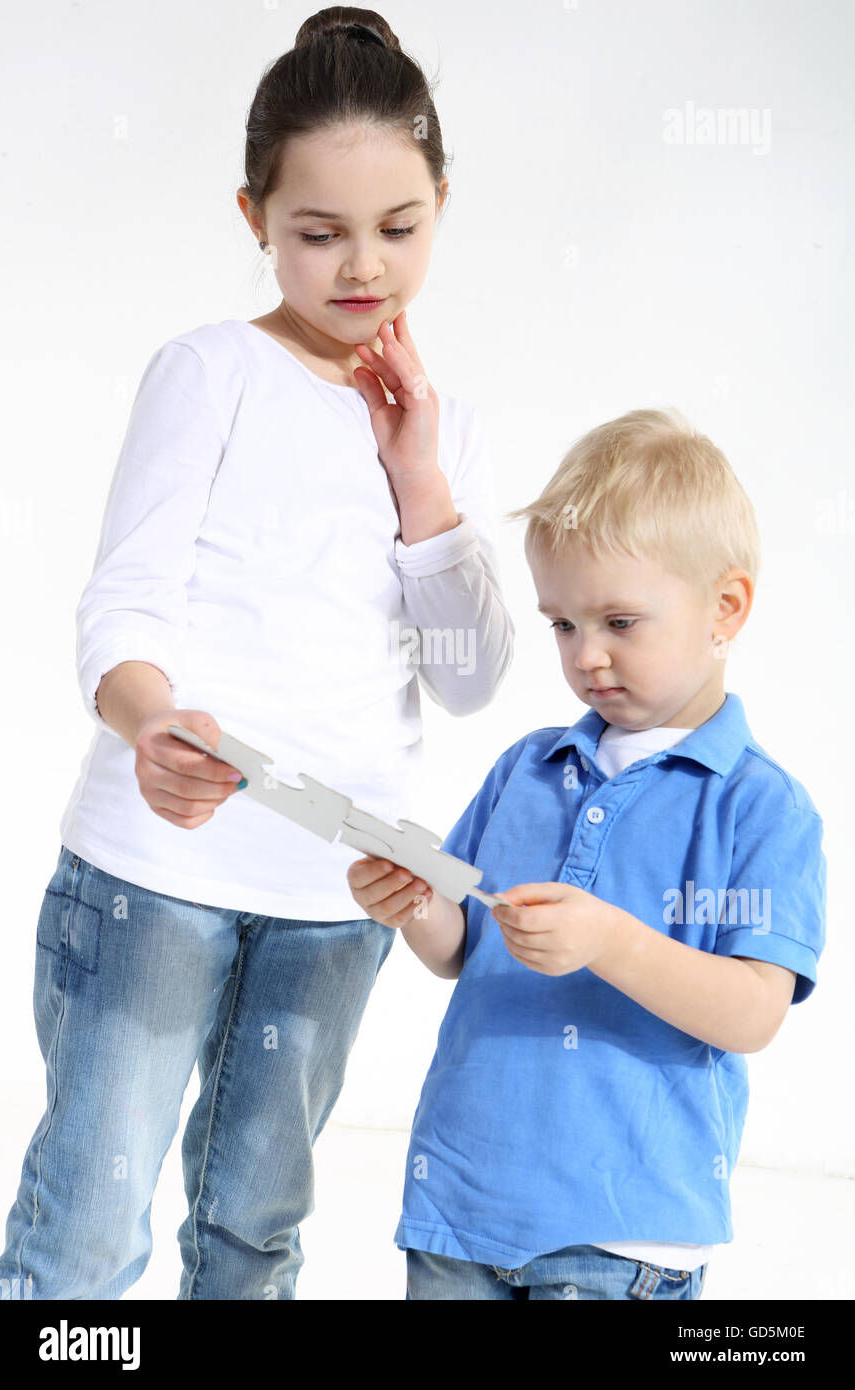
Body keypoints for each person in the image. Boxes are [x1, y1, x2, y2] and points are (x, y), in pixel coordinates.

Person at [0, 8, 514, 1301]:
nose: (360, 268)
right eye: (316, 232)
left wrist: (419, 482)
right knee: (82, 1238)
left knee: (252, 1232)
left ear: (440, 204)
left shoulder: (440, 432)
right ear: (254, 217)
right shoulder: (210, 369)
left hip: (335, 901)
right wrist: (148, 721)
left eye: (397, 228)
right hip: (154, 874)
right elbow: (122, 610)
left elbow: (465, 675)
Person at [348, 407, 827, 1300]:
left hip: (620, 1231)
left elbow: (754, 1014)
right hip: (459, 1202)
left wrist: (611, 942)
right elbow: (460, 950)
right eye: (563, 625)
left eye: (619, 621)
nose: (587, 657)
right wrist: (414, 901)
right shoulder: (528, 766)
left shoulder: (760, 806)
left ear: (727, 608)